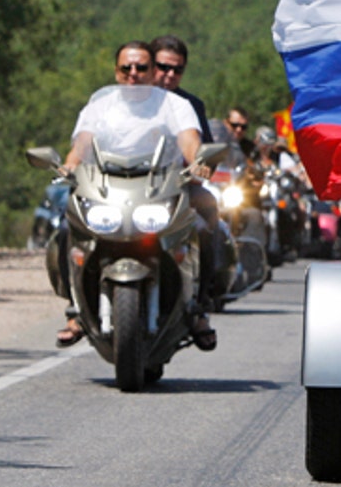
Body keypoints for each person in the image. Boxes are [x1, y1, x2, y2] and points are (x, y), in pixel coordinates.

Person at [56, 42, 217, 350]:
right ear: (116, 71)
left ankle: (198, 307)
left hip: (160, 186)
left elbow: (189, 140)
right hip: (108, 188)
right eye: (126, 68)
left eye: (141, 68)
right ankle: (74, 309)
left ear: (150, 71)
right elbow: (82, 145)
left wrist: (198, 162)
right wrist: (68, 166)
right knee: (67, 229)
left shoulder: (174, 105)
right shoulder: (99, 107)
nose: (133, 74)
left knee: (200, 227)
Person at [150, 34, 221, 348]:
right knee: (73, 219)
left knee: (207, 222)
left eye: (176, 70)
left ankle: (200, 307)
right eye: (162, 67)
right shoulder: (128, 103)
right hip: (128, 188)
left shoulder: (191, 105)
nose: (168, 75)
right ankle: (75, 309)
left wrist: (203, 166)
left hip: (176, 190)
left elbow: (203, 153)